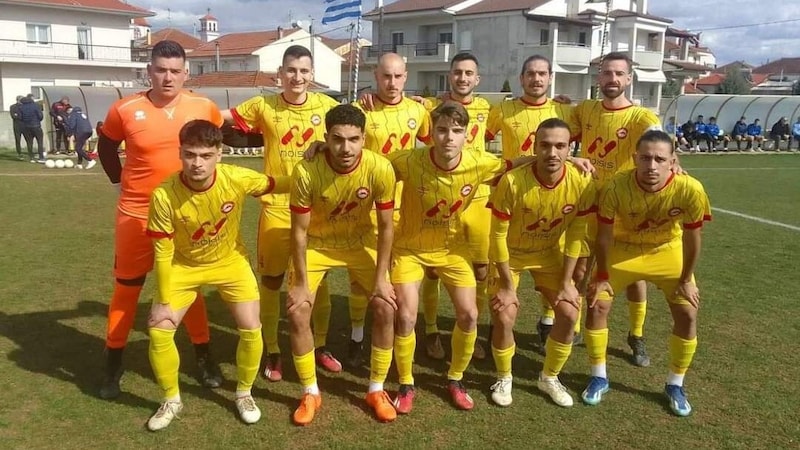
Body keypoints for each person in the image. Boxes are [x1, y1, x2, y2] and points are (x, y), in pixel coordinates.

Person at [96, 40, 223, 400]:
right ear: (148, 71)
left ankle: (203, 356)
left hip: (186, 216)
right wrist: (119, 182)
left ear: (185, 73)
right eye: (160, 70)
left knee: (189, 288)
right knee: (127, 289)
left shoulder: (203, 106)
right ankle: (112, 363)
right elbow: (106, 146)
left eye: (174, 71)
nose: (167, 77)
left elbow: (214, 146)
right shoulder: (125, 108)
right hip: (136, 214)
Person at [388, 102, 533, 413]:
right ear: (431, 133)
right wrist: (321, 148)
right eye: (441, 130)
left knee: (469, 315)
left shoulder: (479, 162)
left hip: (452, 252)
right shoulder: (407, 160)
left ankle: (455, 378)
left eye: (456, 131)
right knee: (405, 316)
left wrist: (568, 158)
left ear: (467, 135)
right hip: (409, 250)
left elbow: (517, 164)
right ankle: (406, 382)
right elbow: (366, 164)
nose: (448, 138)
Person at [144, 120, 286, 431]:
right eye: (190, 155)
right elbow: (163, 253)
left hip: (230, 263)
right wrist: (165, 299)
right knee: (159, 330)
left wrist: (320, 166)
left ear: (219, 154)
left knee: (251, 327)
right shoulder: (164, 195)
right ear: (179, 153)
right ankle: (171, 400)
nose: (197, 163)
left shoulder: (236, 178)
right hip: (183, 266)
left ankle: (244, 393)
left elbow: (279, 184)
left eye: (206, 155)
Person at [223, 45, 342, 381]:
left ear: (312, 74)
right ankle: (273, 350)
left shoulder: (328, 107)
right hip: (276, 206)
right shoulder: (263, 105)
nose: (298, 77)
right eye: (292, 70)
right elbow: (223, 118)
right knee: (272, 281)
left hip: (316, 208)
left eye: (304, 71)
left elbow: (357, 127)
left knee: (317, 280)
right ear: (280, 73)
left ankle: (319, 346)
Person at [582, 129, 711, 417]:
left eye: (659, 159)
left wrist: (686, 279)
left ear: (672, 161)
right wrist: (601, 275)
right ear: (634, 158)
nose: (651, 166)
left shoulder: (690, 189)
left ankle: (675, 384)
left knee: (688, 311)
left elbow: (693, 238)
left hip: (666, 250)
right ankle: (599, 376)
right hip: (623, 250)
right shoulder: (615, 187)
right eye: (645, 158)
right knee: (597, 304)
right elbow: (603, 237)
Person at [286, 105, 396, 425]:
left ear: (364, 139)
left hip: (359, 244)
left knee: (386, 306)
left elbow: (387, 228)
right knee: (297, 309)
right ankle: (310, 392)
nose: (345, 148)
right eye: (337, 139)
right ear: (326, 138)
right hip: (318, 245)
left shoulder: (379, 168)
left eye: (353, 139)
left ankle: (376, 389)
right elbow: (299, 231)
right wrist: (301, 283)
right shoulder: (306, 170)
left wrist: (381, 279)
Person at [487, 118, 595, 408]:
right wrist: (507, 286)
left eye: (560, 146)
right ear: (534, 147)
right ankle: (504, 376)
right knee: (504, 313)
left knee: (570, 313)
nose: (552, 153)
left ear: (570, 148)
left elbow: (575, 234)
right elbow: (496, 236)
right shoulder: (512, 181)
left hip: (548, 255)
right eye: (545, 145)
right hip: (509, 257)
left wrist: (566, 283)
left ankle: (549, 377)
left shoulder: (581, 182)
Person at [570, 52, 665, 368]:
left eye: (619, 74)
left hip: (626, 208)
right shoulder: (584, 110)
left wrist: (675, 167)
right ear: (598, 78)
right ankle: (576, 327)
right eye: (606, 73)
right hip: (588, 203)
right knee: (581, 269)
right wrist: (572, 158)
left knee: (635, 275)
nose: (612, 79)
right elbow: (554, 134)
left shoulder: (640, 117)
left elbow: (661, 142)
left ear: (628, 79)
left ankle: (636, 335)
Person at [485, 54, 577, 349]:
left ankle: (547, 322)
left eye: (542, 74)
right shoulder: (503, 109)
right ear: (521, 78)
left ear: (549, 78)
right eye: (530, 74)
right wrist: (508, 165)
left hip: (552, 194)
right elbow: (477, 141)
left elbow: (578, 143)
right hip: (514, 194)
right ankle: (497, 325)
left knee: (552, 258)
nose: (536, 79)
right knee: (502, 260)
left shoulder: (564, 110)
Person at [352, 52, 432, 365]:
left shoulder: (418, 110)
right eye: (386, 76)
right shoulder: (363, 110)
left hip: (408, 210)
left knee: (398, 284)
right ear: (376, 75)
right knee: (365, 280)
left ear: (406, 76)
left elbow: (437, 141)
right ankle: (357, 336)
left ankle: (395, 347)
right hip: (370, 209)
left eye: (398, 76)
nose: (392, 83)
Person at [412, 52, 493, 361]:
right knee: (432, 268)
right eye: (458, 72)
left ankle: (476, 331)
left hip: (479, 201)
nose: (463, 77)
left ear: (477, 79)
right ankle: (431, 331)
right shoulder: (430, 109)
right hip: (439, 198)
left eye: (468, 73)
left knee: (481, 269)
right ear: (450, 76)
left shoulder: (488, 109)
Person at [19, 94, 46, 163]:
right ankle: (41, 158)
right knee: (40, 142)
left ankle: (31, 158)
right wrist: (37, 120)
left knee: (29, 142)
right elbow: (40, 116)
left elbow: (20, 117)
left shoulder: (21, 107)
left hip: (26, 127)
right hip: (36, 126)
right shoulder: (36, 106)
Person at [10, 95, 26, 160]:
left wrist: (18, 115)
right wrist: (20, 116)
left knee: (28, 139)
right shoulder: (13, 106)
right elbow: (13, 116)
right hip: (17, 126)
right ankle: (19, 153)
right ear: (18, 100)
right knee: (18, 140)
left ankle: (30, 153)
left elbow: (25, 115)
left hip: (25, 125)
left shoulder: (25, 106)